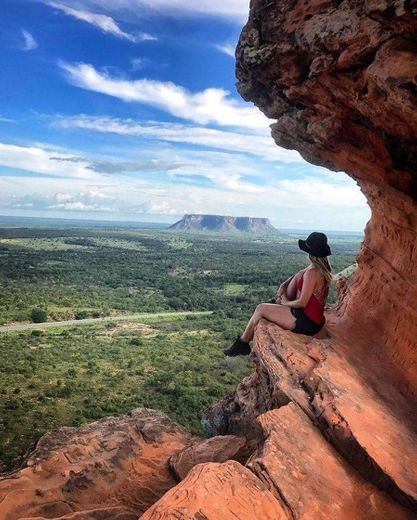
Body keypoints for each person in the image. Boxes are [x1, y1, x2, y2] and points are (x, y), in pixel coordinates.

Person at [223, 232, 333, 356]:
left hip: (307, 322)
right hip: (315, 320)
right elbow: (299, 274)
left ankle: (242, 344)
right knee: (297, 277)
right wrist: (284, 285)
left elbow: (302, 303)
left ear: (310, 253)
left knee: (261, 308)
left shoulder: (312, 273)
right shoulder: (319, 269)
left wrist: (285, 302)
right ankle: (276, 305)